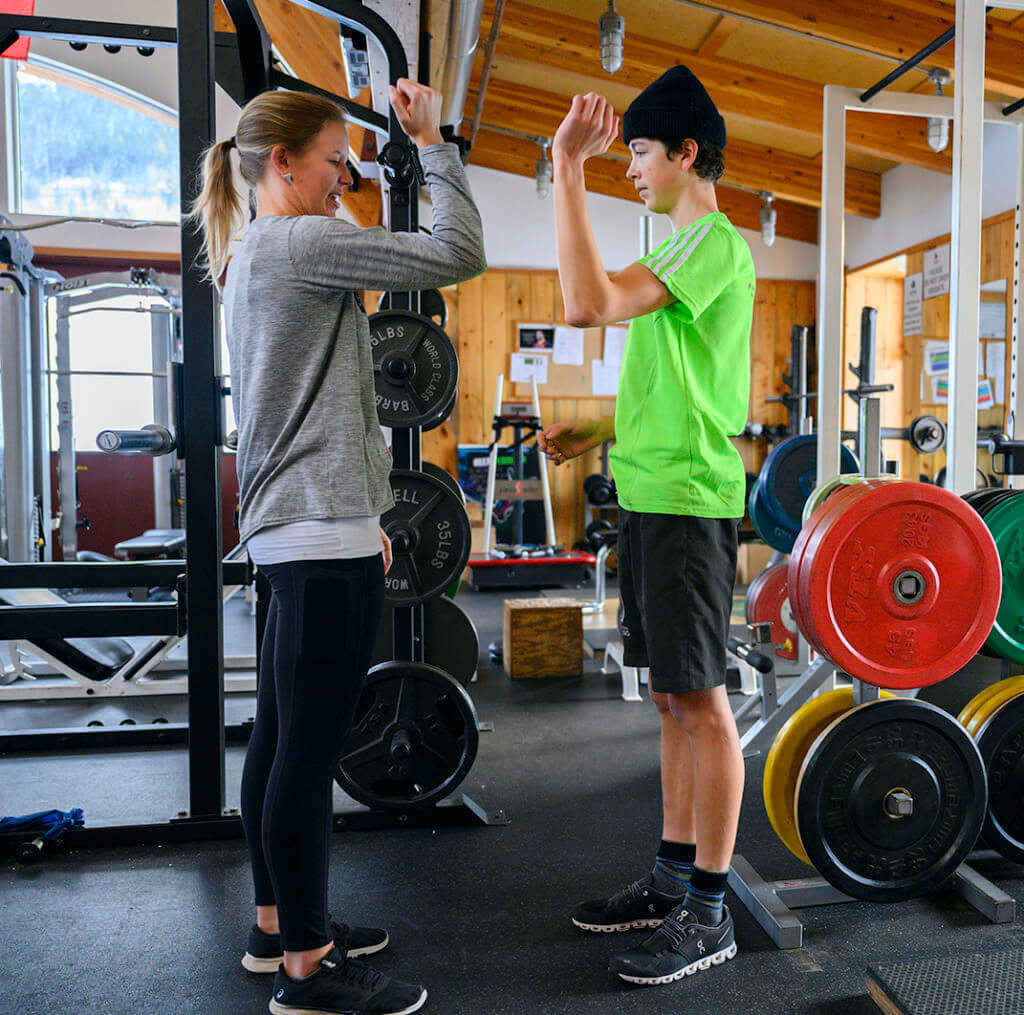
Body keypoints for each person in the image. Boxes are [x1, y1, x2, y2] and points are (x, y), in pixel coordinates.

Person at [188, 80, 485, 1015]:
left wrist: (368, 519)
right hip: (318, 534)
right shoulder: (302, 242)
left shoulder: (251, 249)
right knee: (307, 753)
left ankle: (279, 926)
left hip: (304, 527)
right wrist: (431, 143)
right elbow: (459, 252)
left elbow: (329, 397)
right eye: (333, 163)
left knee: (280, 736)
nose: (343, 180)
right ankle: (307, 972)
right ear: (282, 163)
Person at [538, 65, 754, 987]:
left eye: (638, 149)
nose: (628, 164)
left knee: (703, 706)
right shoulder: (676, 252)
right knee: (669, 697)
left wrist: (566, 166)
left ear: (685, 153)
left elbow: (586, 303)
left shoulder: (710, 243)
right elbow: (677, 384)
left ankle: (710, 911)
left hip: (692, 505)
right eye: (621, 150)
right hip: (652, 494)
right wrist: (596, 427)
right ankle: (673, 877)